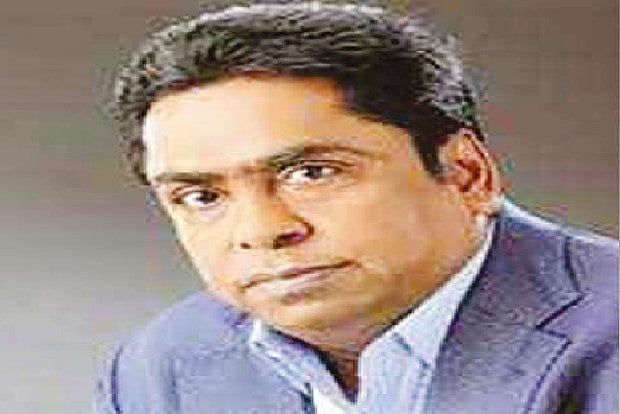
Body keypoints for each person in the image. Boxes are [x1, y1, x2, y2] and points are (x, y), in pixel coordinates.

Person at [93, 3, 618, 413]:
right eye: (202, 197)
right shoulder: (160, 369)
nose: (261, 230)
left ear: (466, 174)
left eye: (311, 173)